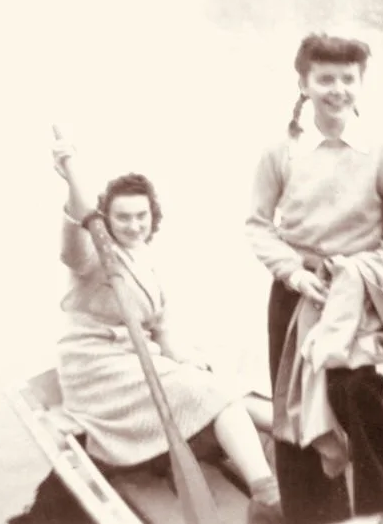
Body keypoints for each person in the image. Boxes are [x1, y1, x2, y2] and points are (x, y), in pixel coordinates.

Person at [50, 139, 282, 521]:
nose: (133, 225)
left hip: (141, 360)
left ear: (153, 216)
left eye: (141, 216)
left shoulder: (148, 263)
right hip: (96, 370)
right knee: (213, 395)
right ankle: (265, 491)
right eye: (122, 217)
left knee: (219, 377)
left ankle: (320, 434)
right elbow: (75, 229)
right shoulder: (94, 254)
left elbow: (164, 332)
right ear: (105, 218)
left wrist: (190, 361)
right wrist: (72, 176)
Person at [245, 33, 383, 524]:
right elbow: (258, 225)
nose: (337, 89)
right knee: (293, 408)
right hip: (297, 292)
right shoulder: (281, 150)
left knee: (357, 391)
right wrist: (294, 274)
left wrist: (369, 271)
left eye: (347, 79)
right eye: (325, 79)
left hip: (358, 293)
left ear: (362, 83)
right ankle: (308, 514)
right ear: (304, 83)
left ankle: (379, 507)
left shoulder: (382, 151)